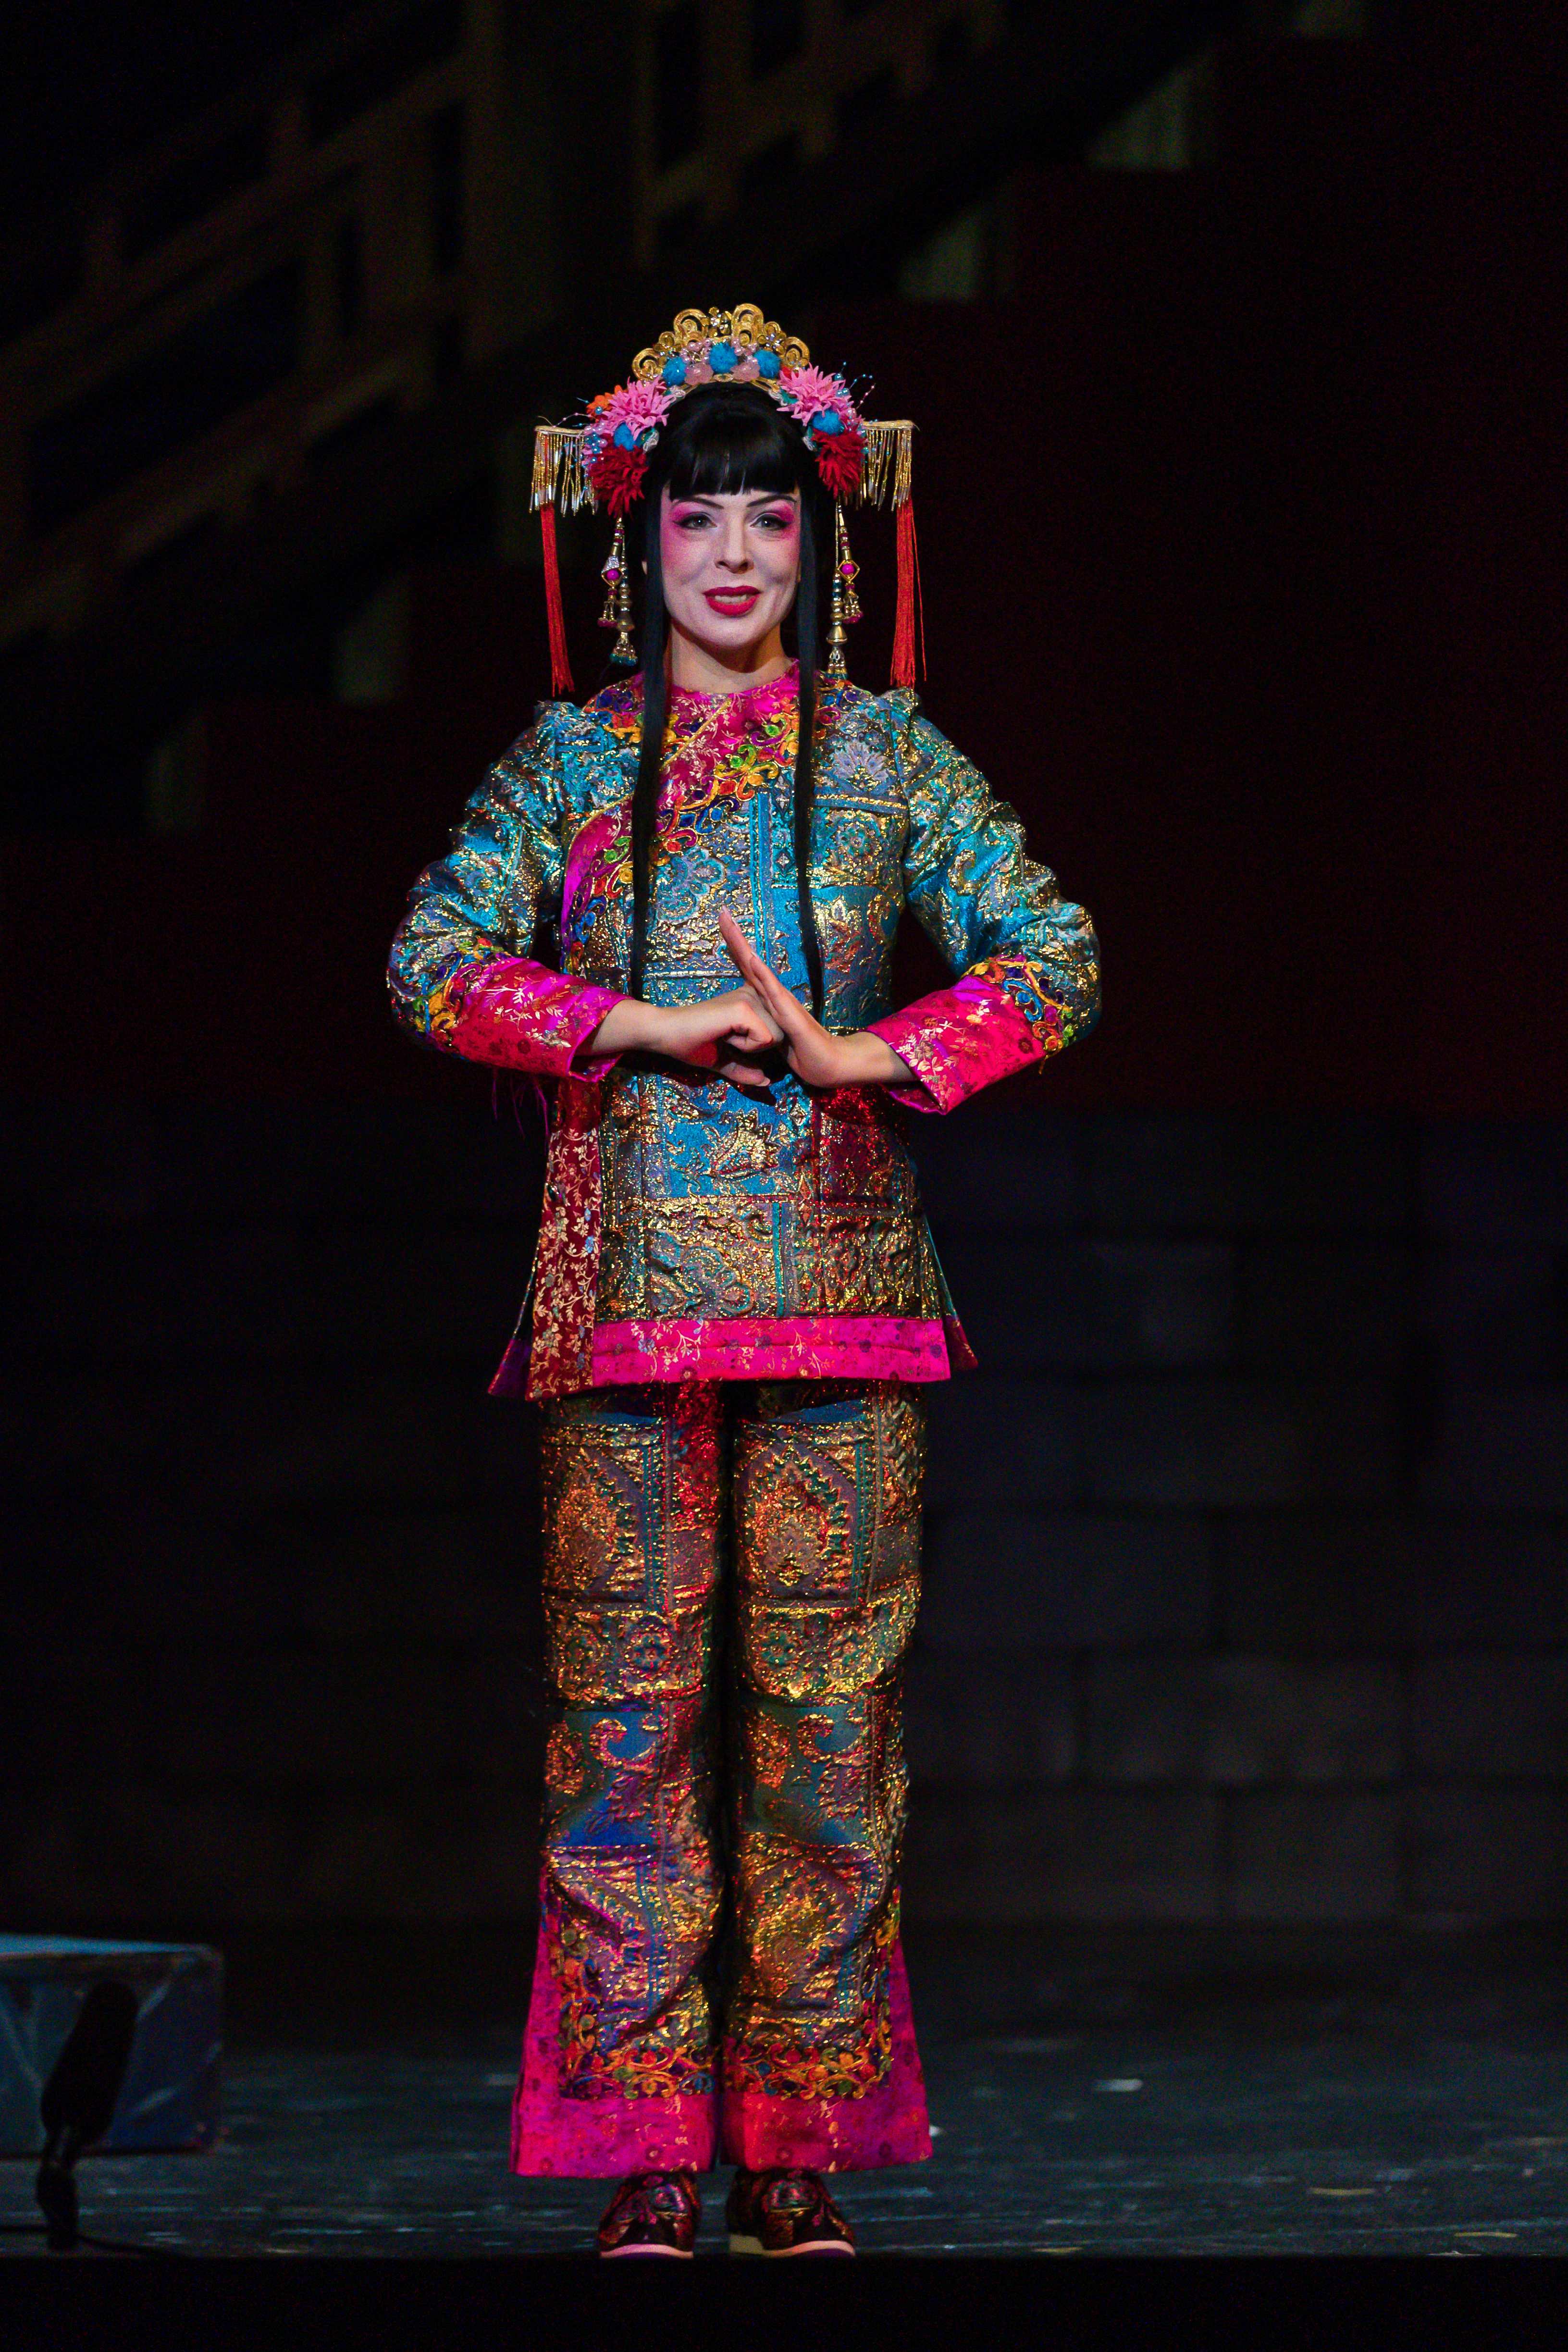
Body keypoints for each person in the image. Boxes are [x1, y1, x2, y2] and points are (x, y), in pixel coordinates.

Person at [387, 305, 1100, 2257]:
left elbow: (1053, 952)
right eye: (696, 518)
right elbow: (433, 958)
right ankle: (643, 2150)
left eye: (768, 519)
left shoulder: (885, 757)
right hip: (623, 1297)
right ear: (639, 542)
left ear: (818, 540)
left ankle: (796, 2138)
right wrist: (628, 1022)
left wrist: (878, 1052)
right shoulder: (569, 761)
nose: (731, 554)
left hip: (844, 1300)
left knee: (828, 1736)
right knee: (623, 1731)